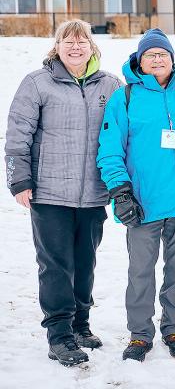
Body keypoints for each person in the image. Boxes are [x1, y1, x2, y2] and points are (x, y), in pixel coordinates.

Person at [4, 19, 121, 367]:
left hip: (92, 194)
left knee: (85, 264)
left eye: (81, 41)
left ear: (92, 47)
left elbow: (125, 131)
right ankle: (59, 335)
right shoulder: (37, 83)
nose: (75, 47)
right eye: (67, 41)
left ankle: (81, 325)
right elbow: (17, 136)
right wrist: (19, 180)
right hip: (49, 194)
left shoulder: (111, 85)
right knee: (55, 265)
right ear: (56, 46)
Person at [97, 28, 175, 362]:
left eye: (163, 54)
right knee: (140, 272)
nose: (157, 59)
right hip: (143, 204)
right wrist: (121, 192)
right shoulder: (125, 97)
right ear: (140, 61)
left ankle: (174, 328)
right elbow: (109, 149)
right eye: (150, 55)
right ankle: (140, 335)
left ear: (172, 59)